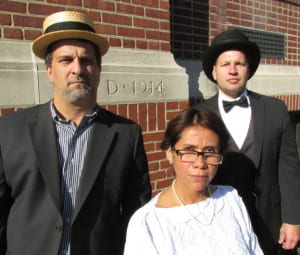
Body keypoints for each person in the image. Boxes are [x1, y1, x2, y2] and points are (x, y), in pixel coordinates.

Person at [0, 11, 151, 255]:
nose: (77, 69)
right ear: (49, 70)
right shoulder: (9, 130)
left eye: (87, 61)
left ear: (99, 70)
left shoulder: (126, 135)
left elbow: (136, 213)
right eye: (65, 60)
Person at [194, 29, 300, 255]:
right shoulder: (198, 116)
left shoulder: (275, 110)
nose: (233, 70)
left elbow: (289, 170)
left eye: (239, 64)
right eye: (225, 64)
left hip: (272, 225)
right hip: (220, 224)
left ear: (248, 68)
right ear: (214, 72)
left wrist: (293, 220)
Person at [124, 108, 263, 255]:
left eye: (210, 151)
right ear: (170, 154)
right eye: (189, 150)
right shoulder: (148, 223)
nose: (200, 163)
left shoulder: (231, 199)